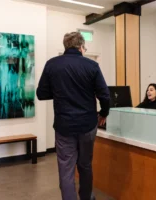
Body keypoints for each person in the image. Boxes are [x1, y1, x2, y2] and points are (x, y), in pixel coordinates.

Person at [36, 32, 110, 200]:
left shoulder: (52, 64)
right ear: (81, 47)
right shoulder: (92, 66)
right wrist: (103, 113)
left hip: (64, 126)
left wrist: (60, 91)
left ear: (66, 46)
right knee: (85, 165)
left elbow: (41, 93)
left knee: (66, 169)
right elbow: (105, 95)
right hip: (88, 125)